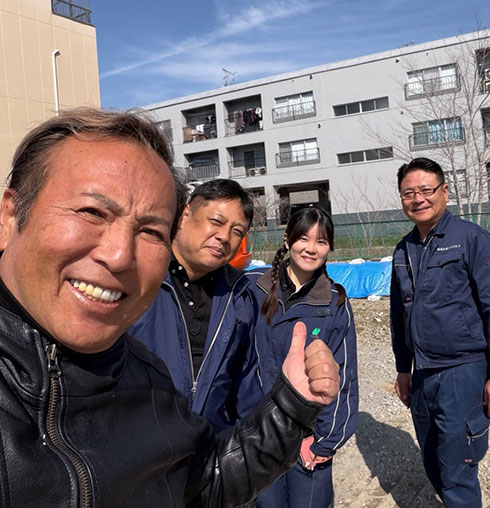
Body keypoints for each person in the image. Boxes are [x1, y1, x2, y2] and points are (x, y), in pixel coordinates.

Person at [0, 107, 341, 507]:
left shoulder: (153, 379)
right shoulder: (147, 295)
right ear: (10, 217)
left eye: (149, 231)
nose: (119, 255)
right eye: (92, 212)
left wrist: (290, 407)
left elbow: (200, 483)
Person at [391, 157, 490, 507]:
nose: (417, 199)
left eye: (425, 190)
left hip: (462, 370)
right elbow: (398, 315)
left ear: (444, 191)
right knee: (432, 458)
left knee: (458, 465)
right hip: (422, 373)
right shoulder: (403, 249)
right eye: (408, 193)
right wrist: (403, 369)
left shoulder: (471, 239)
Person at [129, 178, 263, 432]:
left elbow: (246, 386)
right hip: (137, 443)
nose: (224, 237)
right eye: (216, 222)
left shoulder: (240, 295)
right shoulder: (137, 276)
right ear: (185, 215)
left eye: (237, 231)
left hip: (207, 444)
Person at [247, 206, 359, 508]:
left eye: (321, 241)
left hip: (306, 436)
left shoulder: (334, 303)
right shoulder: (253, 288)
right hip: (259, 434)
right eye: (303, 239)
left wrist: (326, 440)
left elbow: (344, 377)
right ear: (287, 240)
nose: (311, 248)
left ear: (329, 247)